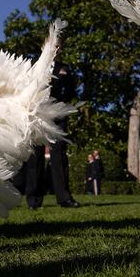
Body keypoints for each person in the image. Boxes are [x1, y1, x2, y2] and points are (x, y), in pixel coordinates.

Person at [49, 62, 79, 208]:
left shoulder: (65, 67)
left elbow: (72, 88)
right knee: (33, 154)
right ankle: (32, 199)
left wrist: (65, 102)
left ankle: (64, 197)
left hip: (59, 112)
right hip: (38, 109)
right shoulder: (35, 63)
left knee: (59, 152)